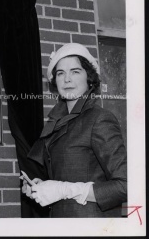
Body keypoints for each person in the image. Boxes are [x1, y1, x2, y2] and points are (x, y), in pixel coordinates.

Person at [22, 43, 127, 217]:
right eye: (60, 73)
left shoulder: (99, 119)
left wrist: (64, 190)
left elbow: (126, 186)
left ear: (89, 78)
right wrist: (45, 188)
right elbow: (68, 178)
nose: (67, 79)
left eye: (75, 71)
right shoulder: (58, 123)